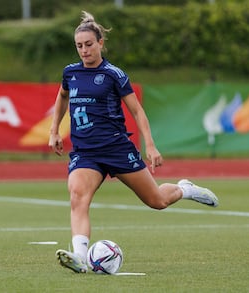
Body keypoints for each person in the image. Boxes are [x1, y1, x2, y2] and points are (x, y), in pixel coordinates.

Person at [48, 11, 219, 274]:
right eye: (79, 46)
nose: (84, 50)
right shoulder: (70, 73)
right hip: (85, 153)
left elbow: (137, 111)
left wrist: (150, 146)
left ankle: (185, 189)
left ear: (101, 42)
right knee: (77, 196)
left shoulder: (113, 74)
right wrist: (54, 130)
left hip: (117, 148)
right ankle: (80, 257)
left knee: (157, 201)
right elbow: (62, 97)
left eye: (89, 44)